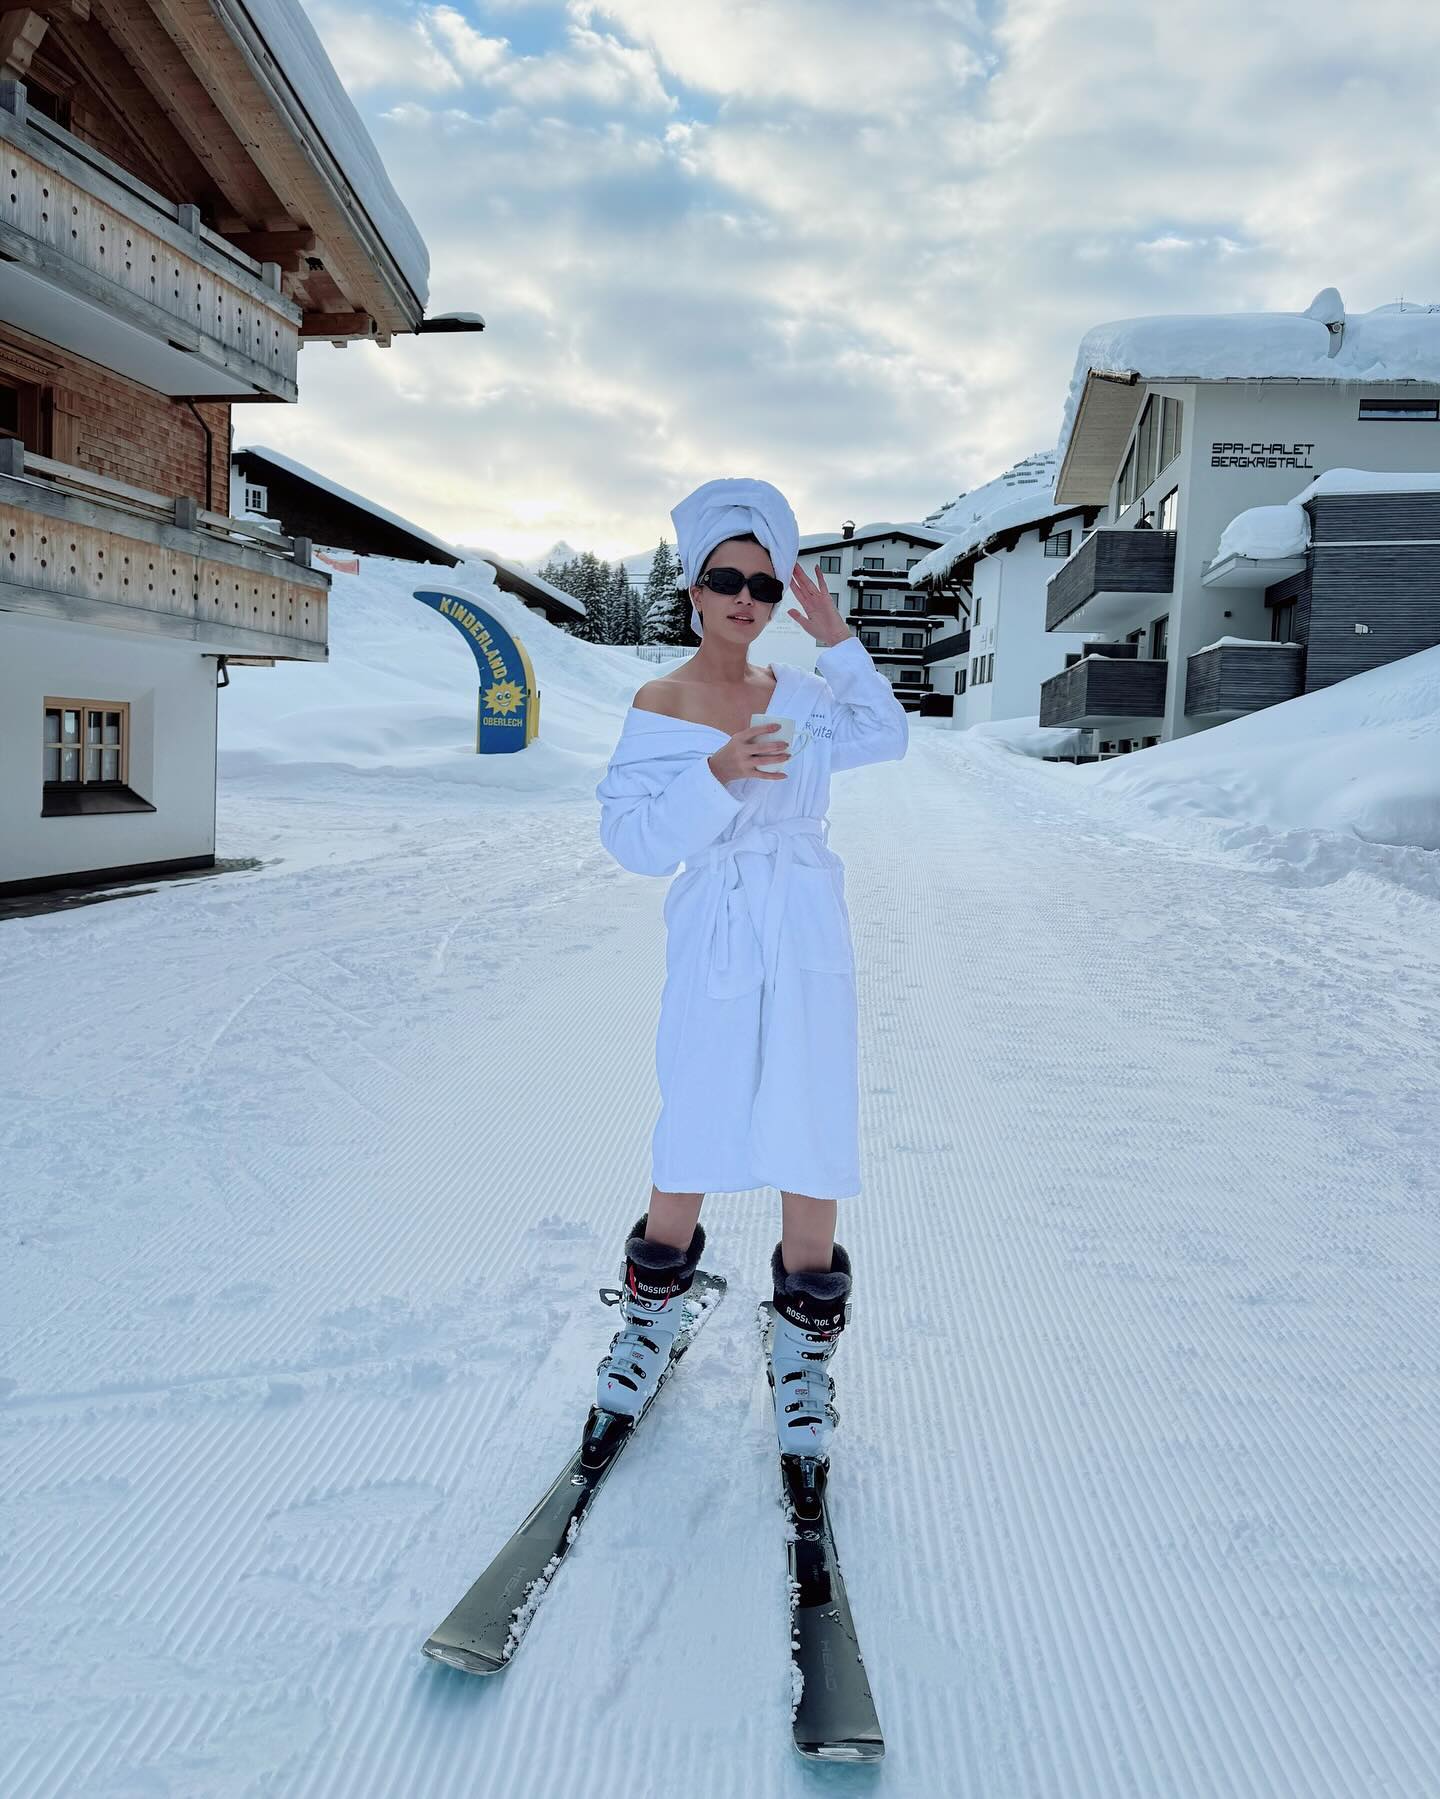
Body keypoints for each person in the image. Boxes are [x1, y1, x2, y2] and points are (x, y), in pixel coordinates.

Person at [590, 475, 908, 1484]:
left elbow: (888, 734)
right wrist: (715, 774)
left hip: (806, 923)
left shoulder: (804, 697)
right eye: (726, 577)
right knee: (697, 1109)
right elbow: (633, 840)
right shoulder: (663, 702)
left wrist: (840, 639)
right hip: (720, 927)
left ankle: (803, 1356)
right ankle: (649, 1324)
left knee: (813, 1115)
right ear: (692, 585)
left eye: (765, 583)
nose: (746, 597)